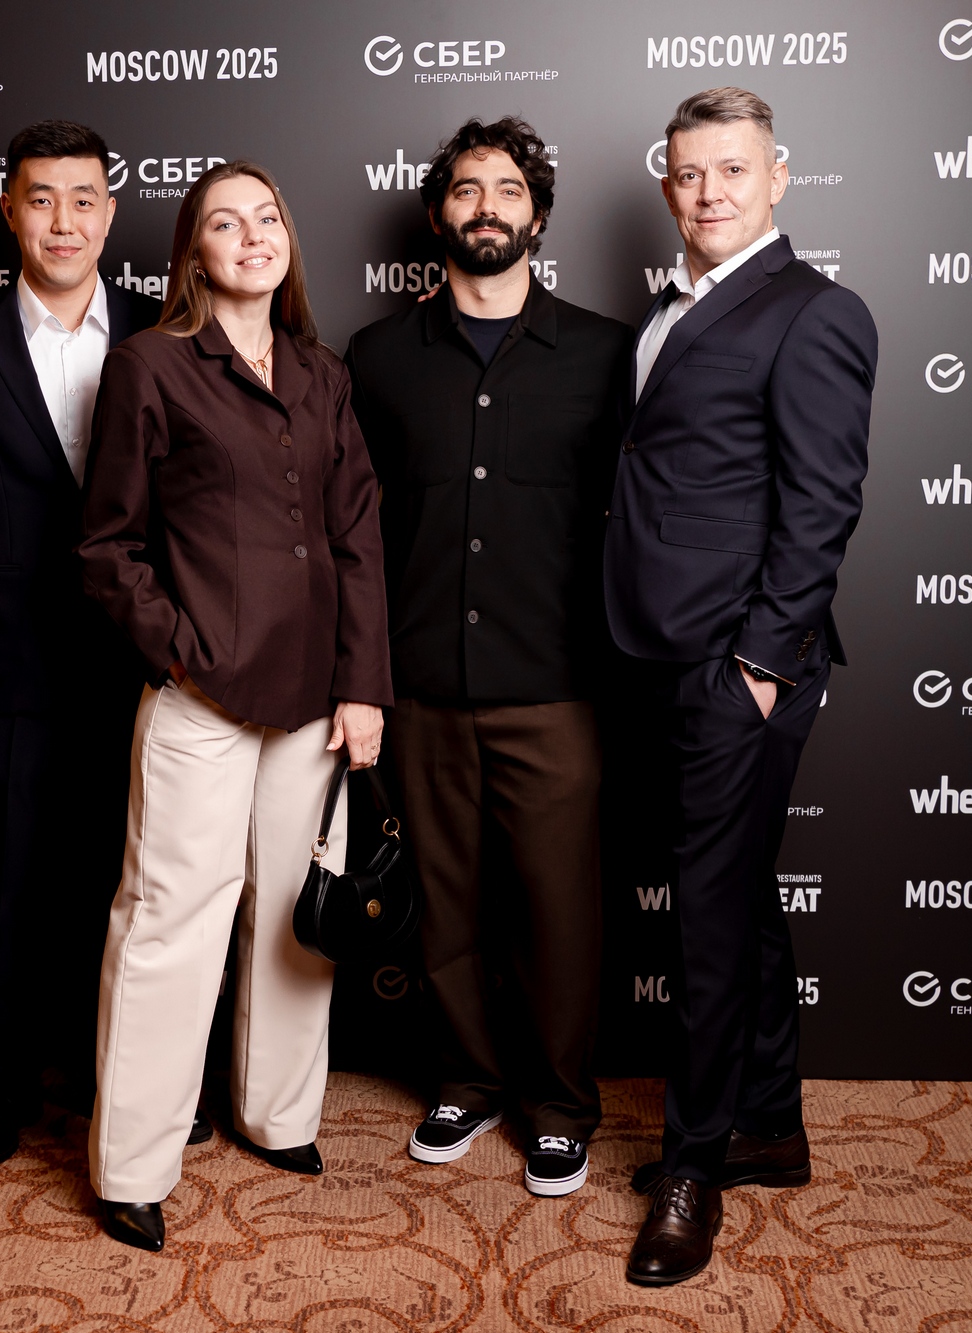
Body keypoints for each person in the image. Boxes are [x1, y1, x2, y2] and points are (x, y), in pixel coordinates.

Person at [77, 161, 394, 1252]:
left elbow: (358, 539)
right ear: (192, 255)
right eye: (225, 222)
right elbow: (106, 548)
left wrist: (363, 686)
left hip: (315, 700)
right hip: (202, 698)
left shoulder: (321, 372)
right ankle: (132, 1162)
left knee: (293, 919)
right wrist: (186, 652)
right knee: (170, 922)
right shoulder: (150, 366)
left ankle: (277, 1115)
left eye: (267, 218)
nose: (253, 235)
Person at [609, 88, 875, 1284]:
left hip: (739, 662)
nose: (707, 190)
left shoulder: (815, 311)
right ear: (666, 185)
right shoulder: (667, 310)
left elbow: (821, 507)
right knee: (738, 892)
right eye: (687, 172)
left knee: (707, 916)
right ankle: (768, 1123)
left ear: (777, 177)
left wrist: (759, 665)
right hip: (659, 648)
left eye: (731, 169)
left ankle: (693, 1166)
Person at [345, 116, 632, 1198]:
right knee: (444, 903)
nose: (486, 208)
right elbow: (350, 532)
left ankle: (558, 1104)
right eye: (466, 190)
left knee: (557, 909)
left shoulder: (604, 354)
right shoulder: (378, 356)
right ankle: (466, 1079)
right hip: (419, 686)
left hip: (555, 686)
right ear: (437, 214)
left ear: (537, 216)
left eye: (507, 190)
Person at [0, 120, 169, 1170]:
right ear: (9, 210)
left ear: (109, 213)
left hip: (139, 659)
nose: (64, 221)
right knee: (10, 889)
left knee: (133, 886)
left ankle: (123, 1090)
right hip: (3, 659)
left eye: (83, 199)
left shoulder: (160, 327)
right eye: (42, 199)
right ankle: (5, 1090)